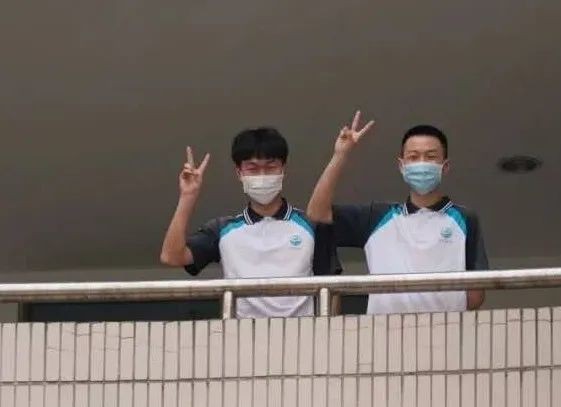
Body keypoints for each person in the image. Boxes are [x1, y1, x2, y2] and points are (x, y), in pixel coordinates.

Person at [306, 111, 487, 314]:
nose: (421, 163)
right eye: (413, 157)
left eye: (430, 157)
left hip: (447, 329)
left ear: (445, 167)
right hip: (384, 331)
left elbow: (476, 294)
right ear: (402, 166)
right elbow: (316, 212)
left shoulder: (465, 219)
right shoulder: (376, 217)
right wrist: (340, 154)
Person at [160, 127, 340, 318]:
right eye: (252, 168)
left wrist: (330, 331)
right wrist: (188, 196)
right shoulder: (221, 229)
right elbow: (172, 257)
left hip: (303, 332)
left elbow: (332, 287)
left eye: (270, 167)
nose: (262, 175)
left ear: (283, 169)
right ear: (239, 173)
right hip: (242, 333)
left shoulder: (312, 224)